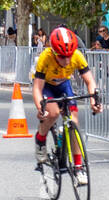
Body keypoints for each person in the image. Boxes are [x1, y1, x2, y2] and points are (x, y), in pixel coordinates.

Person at [32, 28, 101, 184]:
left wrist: (94, 101)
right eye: (62, 57)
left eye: (69, 56)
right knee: (53, 113)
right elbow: (37, 88)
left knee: (73, 122)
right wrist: (40, 108)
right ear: (54, 53)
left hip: (64, 85)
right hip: (47, 86)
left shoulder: (77, 56)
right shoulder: (45, 57)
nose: (67, 61)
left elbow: (90, 81)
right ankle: (40, 139)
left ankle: (78, 167)